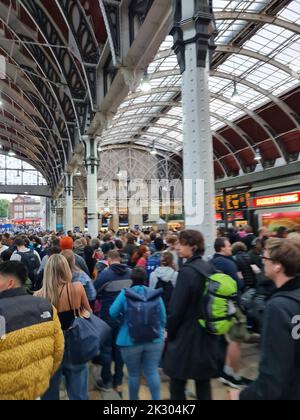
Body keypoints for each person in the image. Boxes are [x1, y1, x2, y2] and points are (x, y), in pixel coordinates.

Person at [230, 238, 300, 400]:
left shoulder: (278, 307)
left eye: (265, 259)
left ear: (278, 266)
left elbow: (273, 373)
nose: (262, 262)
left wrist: (242, 396)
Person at [163, 230, 221, 400]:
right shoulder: (209, 267)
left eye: (182, 244)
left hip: (185, 337)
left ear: (193, 247)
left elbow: (176, 309)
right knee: (203, 382)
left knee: (177, 384)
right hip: (206, 334)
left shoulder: (187, 272)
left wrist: (169, 331)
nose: (178, 247)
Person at [0, 261, 64, 400]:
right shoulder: (45, 306)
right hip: (36, 388)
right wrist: (42, 377)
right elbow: (58, 350)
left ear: (10, 283)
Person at [36, 254, 92, 400]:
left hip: (51, 347)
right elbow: (88, 312)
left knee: (49, 393)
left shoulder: (39, 296)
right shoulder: (77, 288)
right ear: (66, 269)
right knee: (78, 392)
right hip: (75, 342)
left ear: (48, 271)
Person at [110, 267, 166, 400]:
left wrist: (123, 320)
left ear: (131, 279)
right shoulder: (154, 294)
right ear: (145, 279)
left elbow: (112, 313)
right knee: (152, 372)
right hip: (154, 339)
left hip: (129, 340)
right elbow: (163, 318)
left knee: (133, 374)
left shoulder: (125, 294)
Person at [94, 250, 132, 394]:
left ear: (109, 260)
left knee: (106, 348)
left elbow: (94, 291)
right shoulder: (130, 273)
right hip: (125, 316)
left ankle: (106, 380)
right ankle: (119, 380)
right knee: (120, 348)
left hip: (108, 315)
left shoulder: (105, 274)